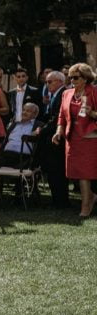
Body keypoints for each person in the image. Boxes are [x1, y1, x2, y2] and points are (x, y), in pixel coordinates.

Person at [53, 63, 97, 217]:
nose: (72, 80)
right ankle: (90, 197)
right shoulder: (67, 93)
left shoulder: (94, 92)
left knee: (85, 173)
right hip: (72, 137)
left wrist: (92, 114)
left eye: (76, 77)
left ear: (85, 78)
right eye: (70, 77)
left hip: (90, 137)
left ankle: (85, 206)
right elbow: (61, 115)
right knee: (77, 173)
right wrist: (58, 131)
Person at [38, 71, 69, 207]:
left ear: (60, 82)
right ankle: (57, 199)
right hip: (52, 138)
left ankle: (61, 201)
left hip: (58, 138)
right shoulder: (54, 95)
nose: (47, 84)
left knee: (57, 170)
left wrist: (41, 130)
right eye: (46, 82)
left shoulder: (63, 94)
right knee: (53, 169)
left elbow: (57, 117)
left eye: (50, 81)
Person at [1, 102, 41, 168]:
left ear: (35, 115)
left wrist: (39, 132)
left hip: (23, 158)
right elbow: (5, 139)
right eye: (23, 110)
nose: (24, 112)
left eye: (28, 111)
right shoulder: (14, 124)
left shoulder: (38, 125)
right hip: (5, 156)